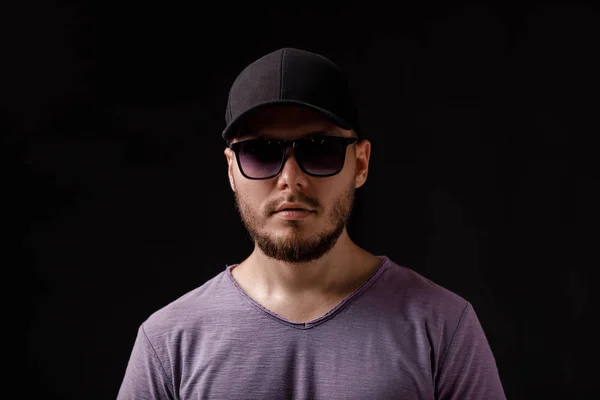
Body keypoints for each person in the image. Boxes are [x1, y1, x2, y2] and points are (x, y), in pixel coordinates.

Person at [117, 47, 506, 399]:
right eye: (259, 152)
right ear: (231, 170)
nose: (291, 178)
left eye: (320, 150)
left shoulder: (442, 327)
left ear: (361, 163)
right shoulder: (170, 341)